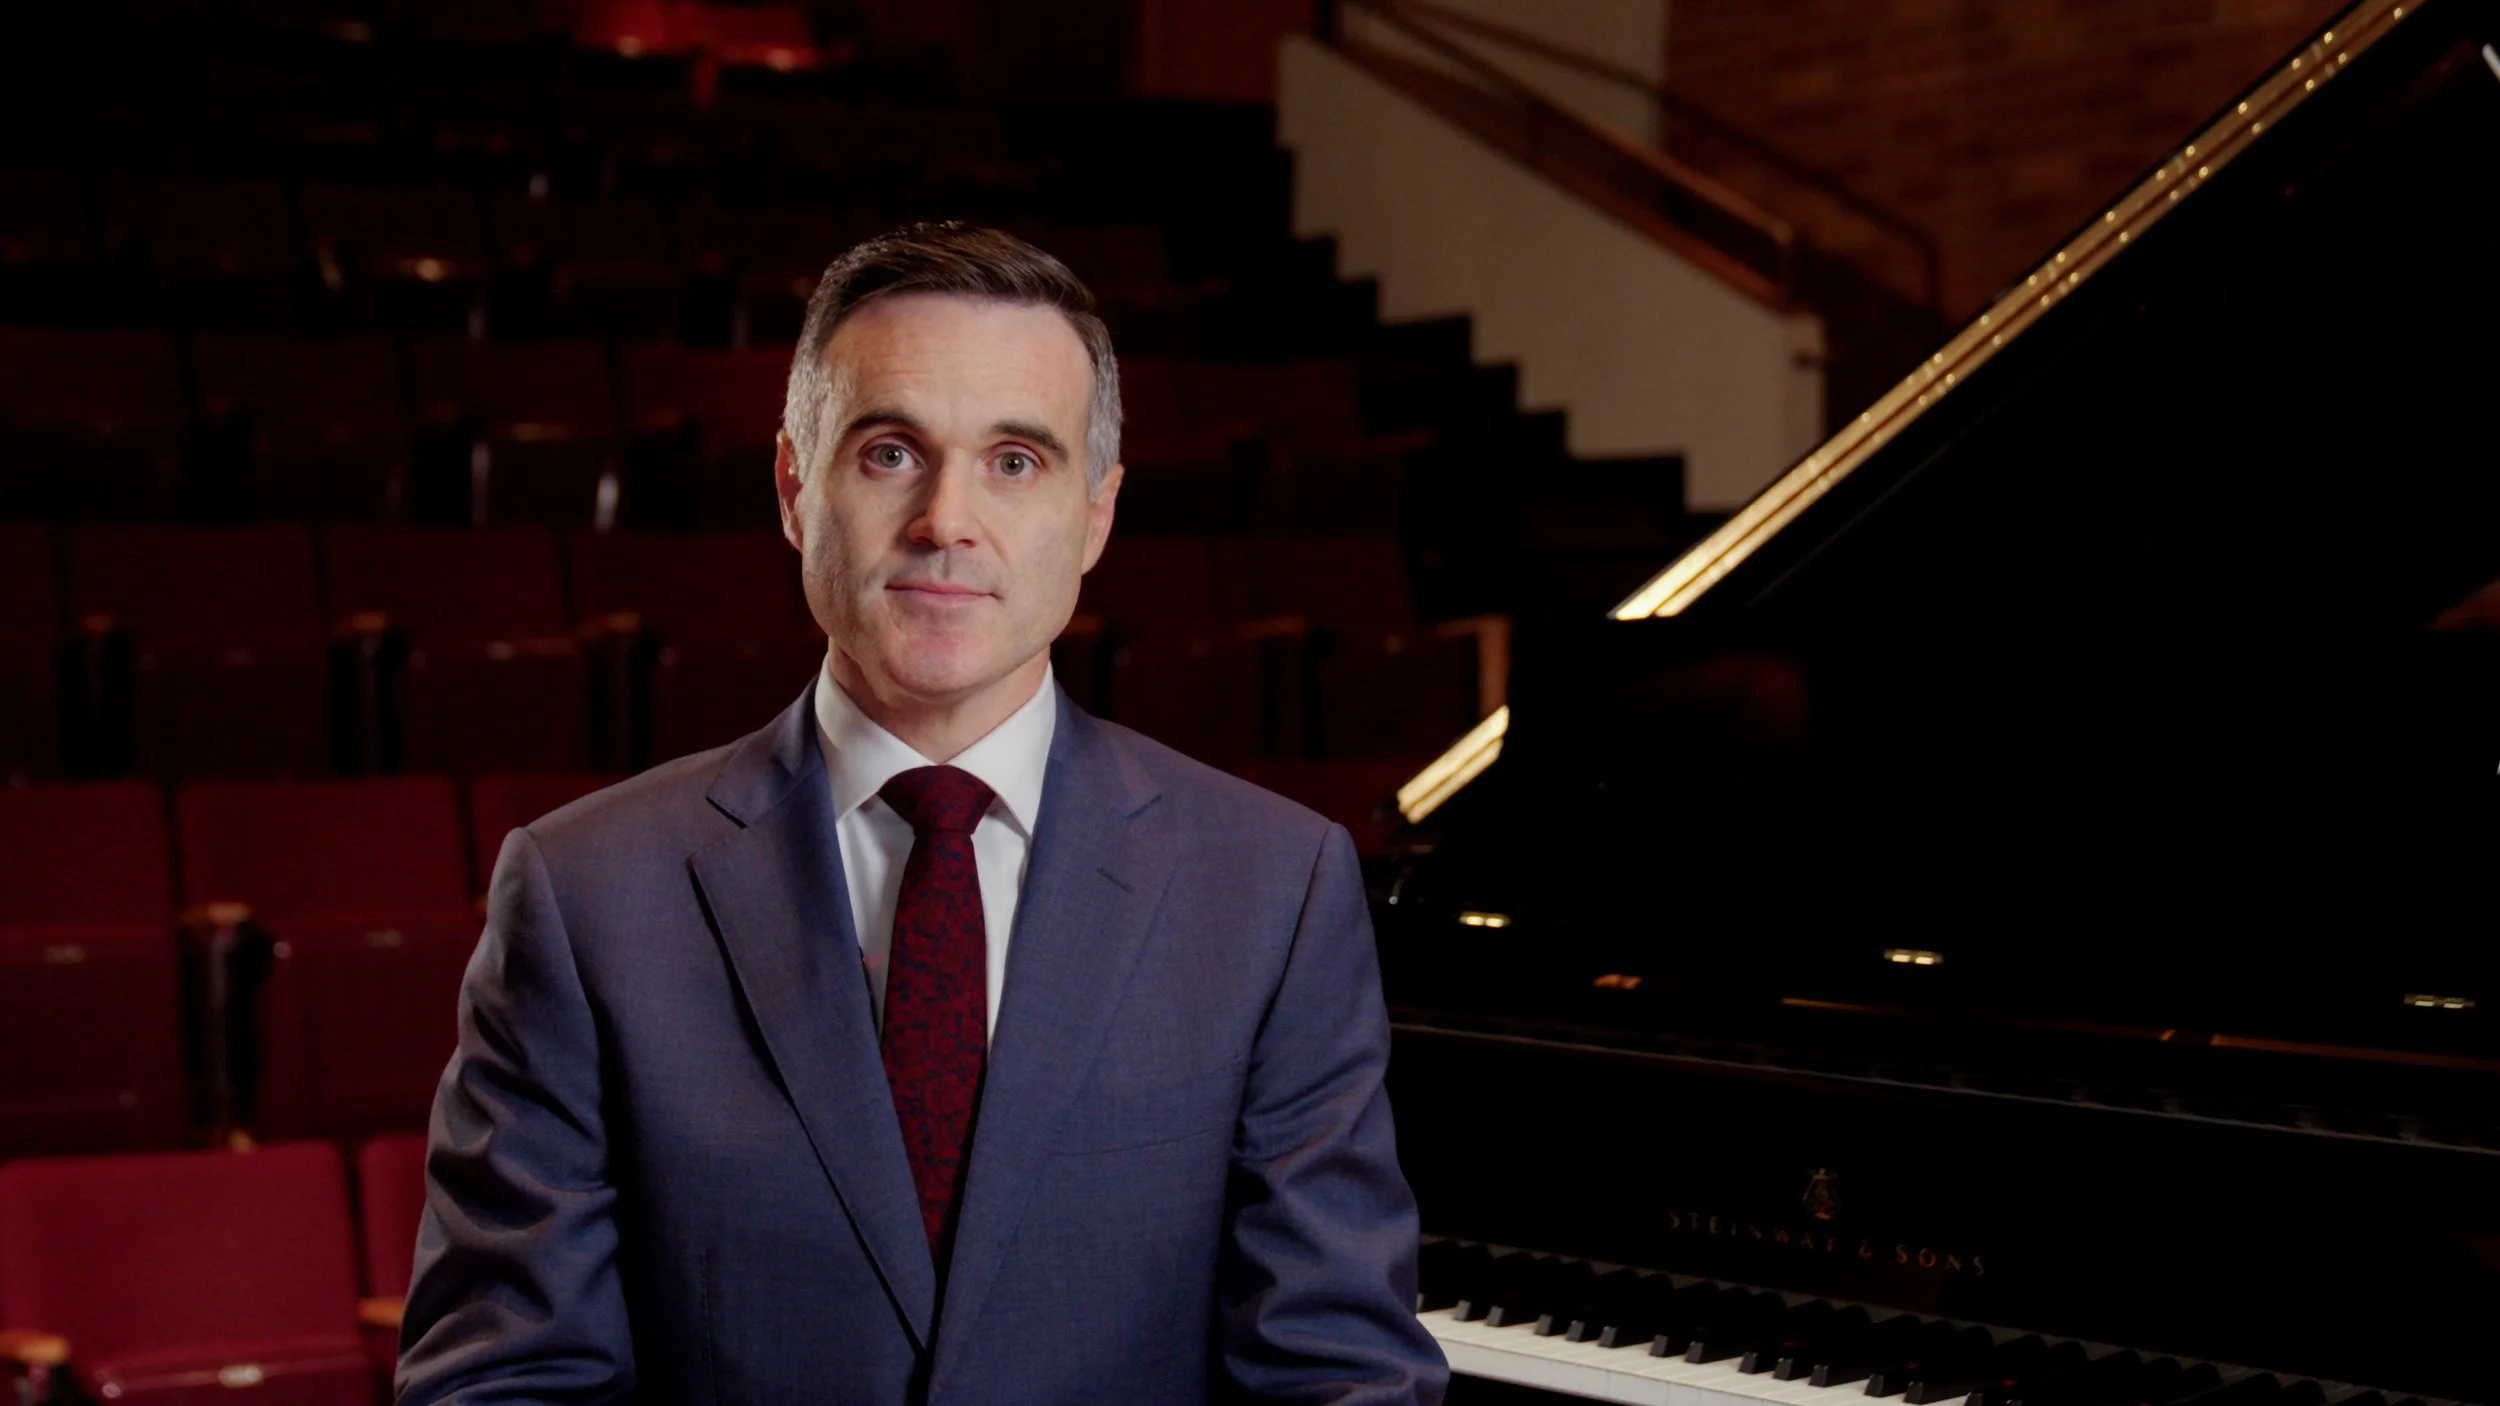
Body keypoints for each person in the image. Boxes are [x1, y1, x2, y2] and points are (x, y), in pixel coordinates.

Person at [396, 222, 1448, 1405]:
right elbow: (504, 1381)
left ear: (1094, 516)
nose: (947, 519)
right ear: (797, 489)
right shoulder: (587, 895)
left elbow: (1339, 1375)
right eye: (891, 451)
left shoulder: (1273, 887)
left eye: (1015, 460)